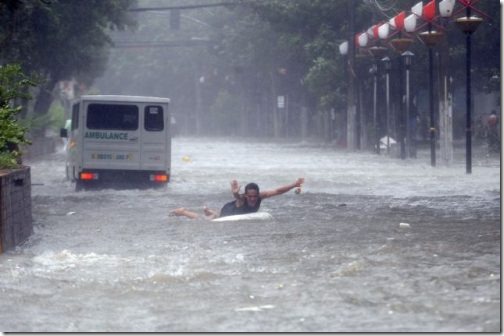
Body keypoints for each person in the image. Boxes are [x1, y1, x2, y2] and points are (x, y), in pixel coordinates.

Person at [171, 178, 304, 220]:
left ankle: (210, 211)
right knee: (206, 221)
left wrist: (294, 184)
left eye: (254, 196)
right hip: (229, 210)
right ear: (246, 195)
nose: (252, 199)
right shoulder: (242, 198)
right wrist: (235, 192)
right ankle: (182, 212)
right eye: (249, 196)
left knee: (213, 215)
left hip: (236, 211)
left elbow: (277, 191)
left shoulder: (260, 196)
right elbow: (237, 197)